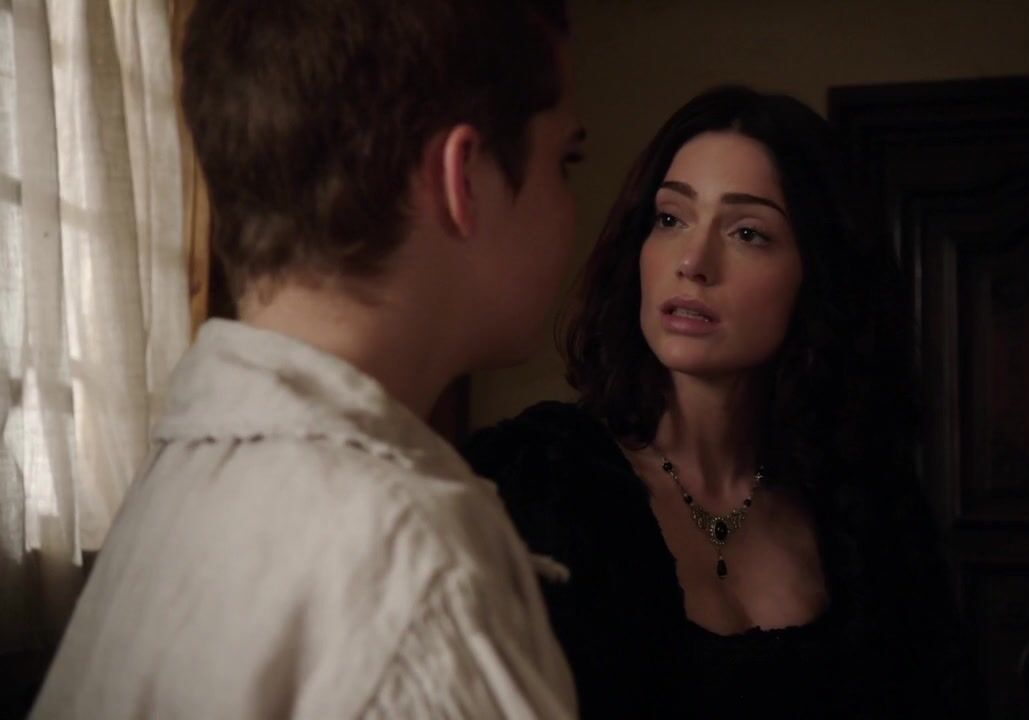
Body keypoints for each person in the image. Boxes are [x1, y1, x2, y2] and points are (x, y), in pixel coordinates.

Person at [31, 0, 584, 717]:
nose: (571, 206)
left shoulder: (187, 475)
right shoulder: (417, 571)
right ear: (465, 180)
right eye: (565, 161)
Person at [464, 86, 982, 717]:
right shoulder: (533, 481)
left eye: (747, 232)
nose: (693, 261)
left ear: (817, 274)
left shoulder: (870, 513)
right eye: (670, 219)